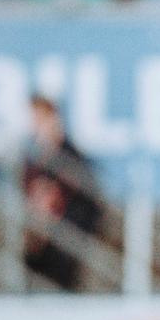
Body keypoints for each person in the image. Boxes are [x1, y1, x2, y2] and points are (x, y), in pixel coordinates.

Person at [22, 95, 102, 291]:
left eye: (39, 119)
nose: (35, 126)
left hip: (64, 241)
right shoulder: (35, 158)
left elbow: (88, 200)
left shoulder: (70, 157)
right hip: (39, 240)